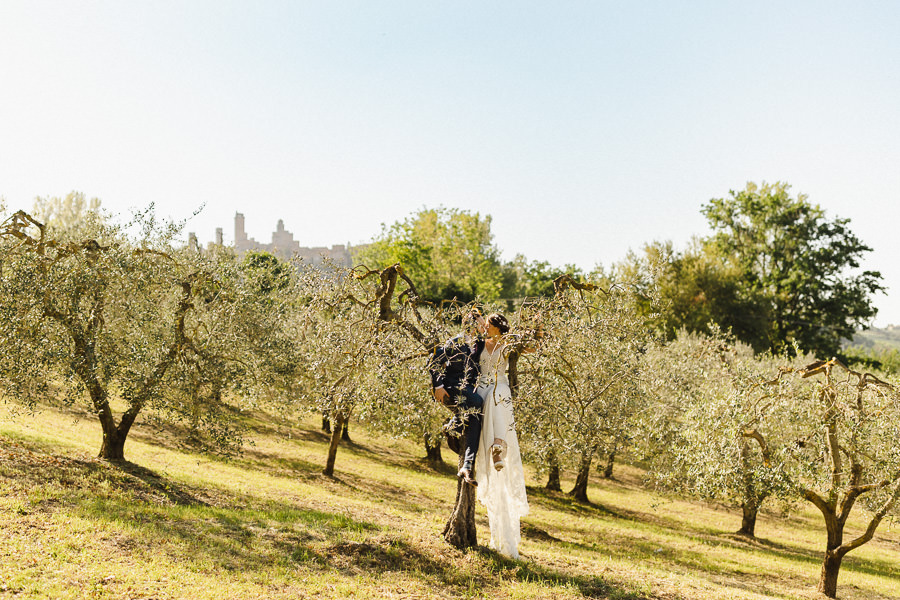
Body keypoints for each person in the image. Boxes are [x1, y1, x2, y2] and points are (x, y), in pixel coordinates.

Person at [474, 312, 529, 559]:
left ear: (497, 327)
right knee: (489, 398)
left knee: (498, 397)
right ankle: (494, 447)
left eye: (489, 325)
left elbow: (530, 347)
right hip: (482, 387)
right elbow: (472, 328)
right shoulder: (478, 342)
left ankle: (498, 445)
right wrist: (475, 318)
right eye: (484, 324)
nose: (486, 327)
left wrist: (536, 327)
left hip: (500, 387)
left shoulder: (508, 344)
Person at [428, 311, 486, 486]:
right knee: (478, 403)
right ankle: (455, 422)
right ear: (472, 325)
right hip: (452, 387)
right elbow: (434, 363)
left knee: (476, 416)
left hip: (469, 390)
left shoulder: (480, 344)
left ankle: (467, 464)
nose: (484, 326)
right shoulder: (455, 342)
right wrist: (437, 387)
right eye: (481, 323)